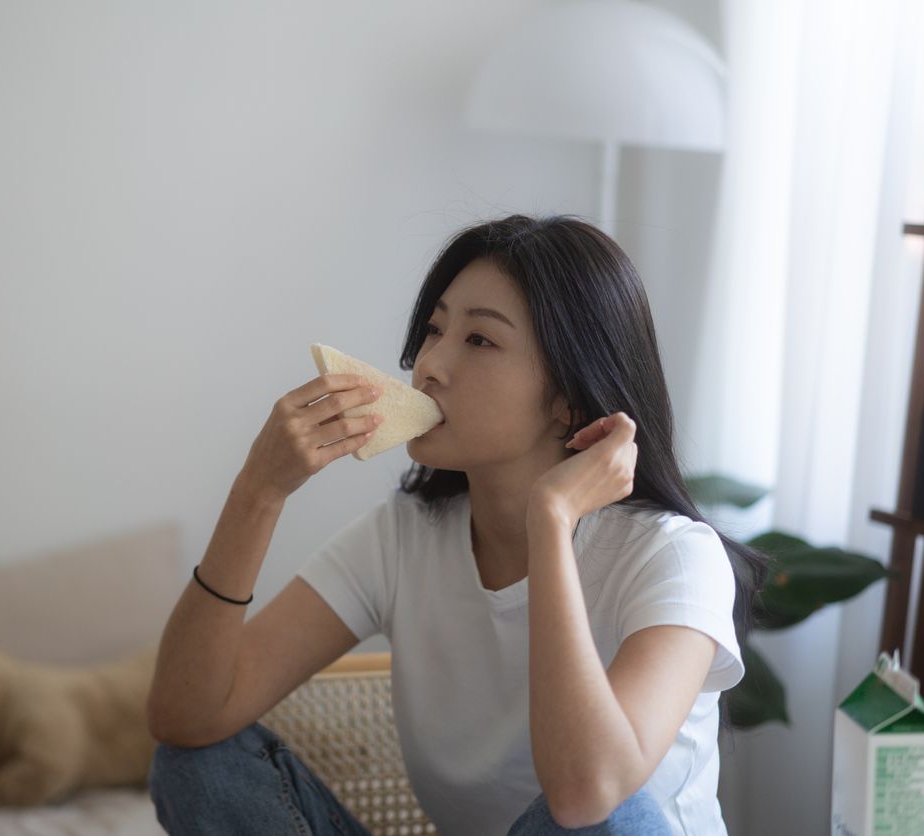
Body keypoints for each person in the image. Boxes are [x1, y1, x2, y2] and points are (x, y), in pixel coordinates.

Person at [145, 214, 769, 835]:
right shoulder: (402, 538)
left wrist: (550, 521)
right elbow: (185, 715)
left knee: (604, 819)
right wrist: (259, 491)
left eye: (479, 341)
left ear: (569, 400)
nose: (429, 366)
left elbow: (585, 797)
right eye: (435, 328)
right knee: (199, 765)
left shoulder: (674, 557)